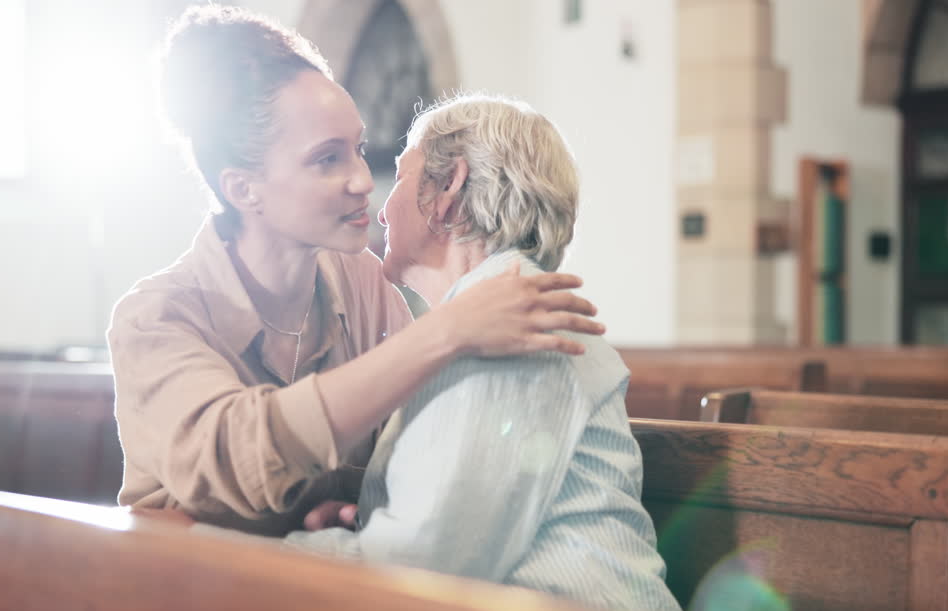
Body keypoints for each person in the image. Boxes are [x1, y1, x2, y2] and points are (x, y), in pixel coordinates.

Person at [108, 5, 604, 535]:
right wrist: (449, 329)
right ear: (242, 188)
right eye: (327, 159)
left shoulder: (361, 281)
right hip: (177, 598)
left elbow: (414, 455)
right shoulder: (154, 318)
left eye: (359, 150)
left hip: (320, 595)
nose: (363, 181)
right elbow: (241, 458)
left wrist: (355, 513)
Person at [285, 94, 684, 611]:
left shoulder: (515, 324)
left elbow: (421, 565)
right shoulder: (484, 315)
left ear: (448, 187)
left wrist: (238, 551)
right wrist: (363, 527)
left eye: (401, 178)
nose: (381, 208)